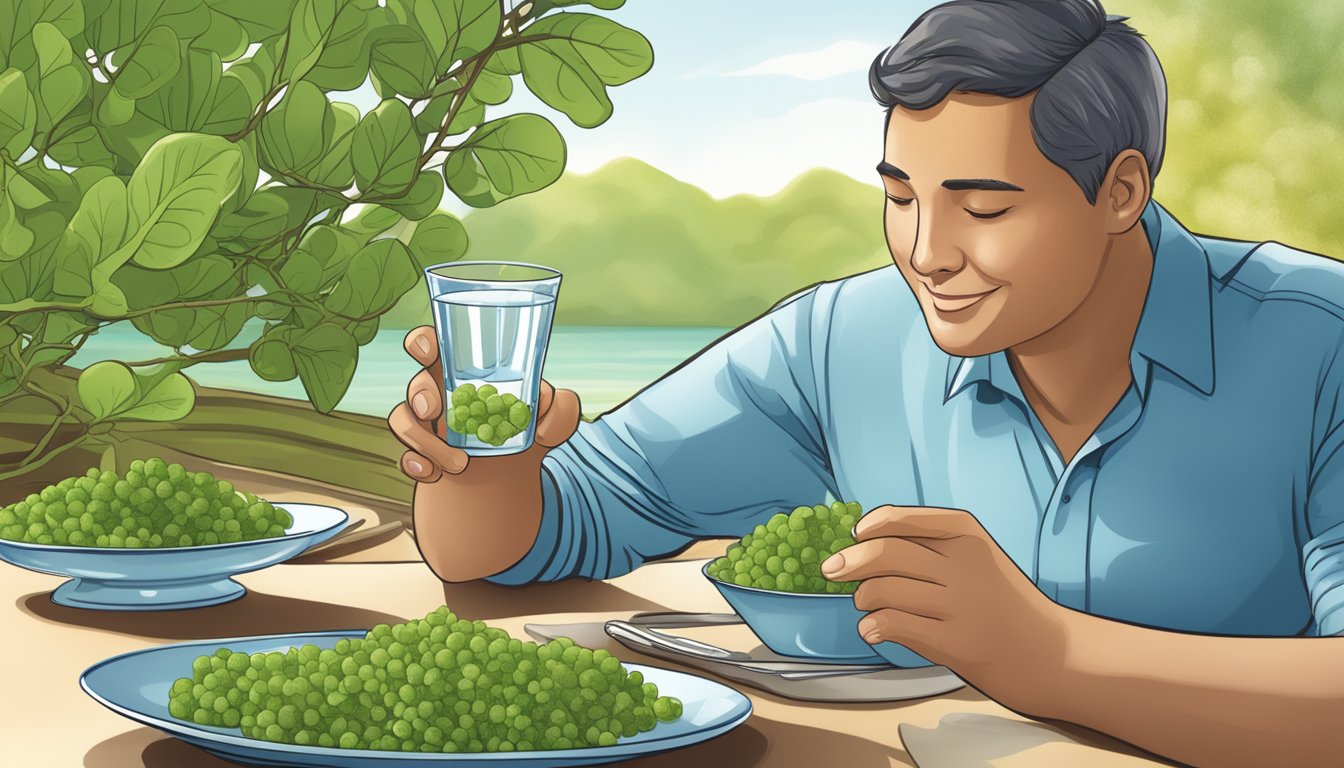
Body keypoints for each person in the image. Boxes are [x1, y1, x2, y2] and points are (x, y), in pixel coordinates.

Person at [388, 1, 1344, 765]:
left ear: (1121, 191)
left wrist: (1047, 655)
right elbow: (544, 531)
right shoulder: (840, 343)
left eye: (982, 206)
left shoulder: (1319, 349)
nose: (927, 255)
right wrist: (483, 471)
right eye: (899, 197)